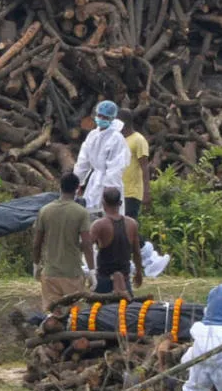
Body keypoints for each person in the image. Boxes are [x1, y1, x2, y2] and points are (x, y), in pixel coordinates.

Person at [33, 173, 96, 312]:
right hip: (72, 274)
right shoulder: (81, 212)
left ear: (60, 187)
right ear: (77, 189)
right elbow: (87, 244)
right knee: (74, 316)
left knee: (53, 315)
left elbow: (37, 243)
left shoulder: (45, 211)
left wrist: (36, 265)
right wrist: (92, 271)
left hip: (50, 273)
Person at [73, 100, 131, 217]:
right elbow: (83, 161)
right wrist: (77, 181)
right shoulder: (93, 135)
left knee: (109, 216)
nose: (101, 119)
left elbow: (116, 168)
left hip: (110, 184)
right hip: (94, 181)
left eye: (105, 117)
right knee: (90, 214)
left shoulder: (116, 138)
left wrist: (109, 192)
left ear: (112, 118)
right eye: (99, 115)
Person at [90, 188, 142, 295]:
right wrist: (139, 272)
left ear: (103, 203)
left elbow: (86, 247)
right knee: (126, 305)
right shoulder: (132, 224)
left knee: (98, 306)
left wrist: (91, 273)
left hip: (104, 281)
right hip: (124, 280)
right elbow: (137, 252)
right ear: (120, 203)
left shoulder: (99, 225)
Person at [119, 110, 151, 221]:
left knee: (129, 223)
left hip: (132, 192)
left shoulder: (138, 140)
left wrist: (146, 192)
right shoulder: (119, 139)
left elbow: (145, 167)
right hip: (119, 190)